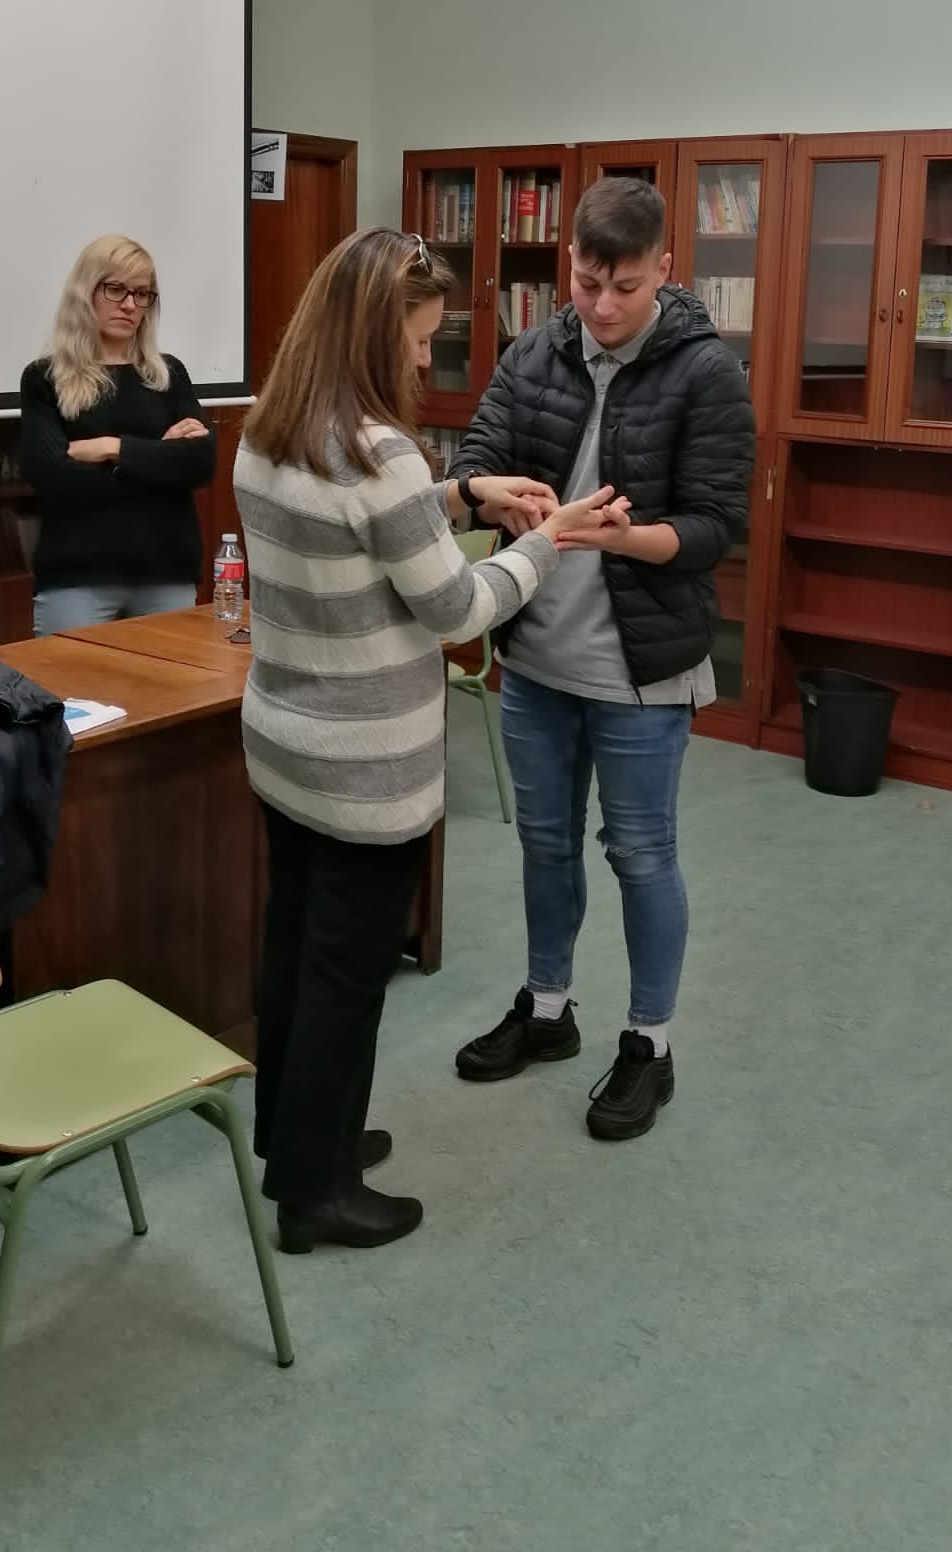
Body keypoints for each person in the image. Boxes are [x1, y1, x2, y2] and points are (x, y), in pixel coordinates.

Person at [235, 227, 614, 1254]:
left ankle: (294, 1139)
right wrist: (548, 541)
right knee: (347, 977)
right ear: (368, 333)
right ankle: (316, 1195)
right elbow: (457, 608)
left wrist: (466, 494)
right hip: (366, 770)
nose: (418, 358)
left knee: (293, 948)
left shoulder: (270, 430)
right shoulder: (381, 453)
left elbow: (365, 532)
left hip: (285, 746)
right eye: (414, 339)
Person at [448, 176, 755, 1141]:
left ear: (665, 268)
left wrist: (624, 540)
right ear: (568, 264)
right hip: (538, 658)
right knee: (544, 844)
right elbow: (473, 460)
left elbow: (716, 528)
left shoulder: (706, 372)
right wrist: (496, 494)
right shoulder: (534, 350)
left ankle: (649, 1044)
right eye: (587, 283)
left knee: (641, 853)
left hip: (640, 670)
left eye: (625, 286)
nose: (604, 305)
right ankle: (547, 1010)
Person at [21, 234, 215, 637]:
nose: (129, 305)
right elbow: (53, 478)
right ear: (85, 291)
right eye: (115, 289)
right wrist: (158, 458)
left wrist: (111, 448)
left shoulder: (168, 375)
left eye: (142, 294)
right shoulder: (45, 378)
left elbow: (200, 462)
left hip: (166, 571)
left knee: (171, 679)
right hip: (77, 575)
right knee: (70, 680)